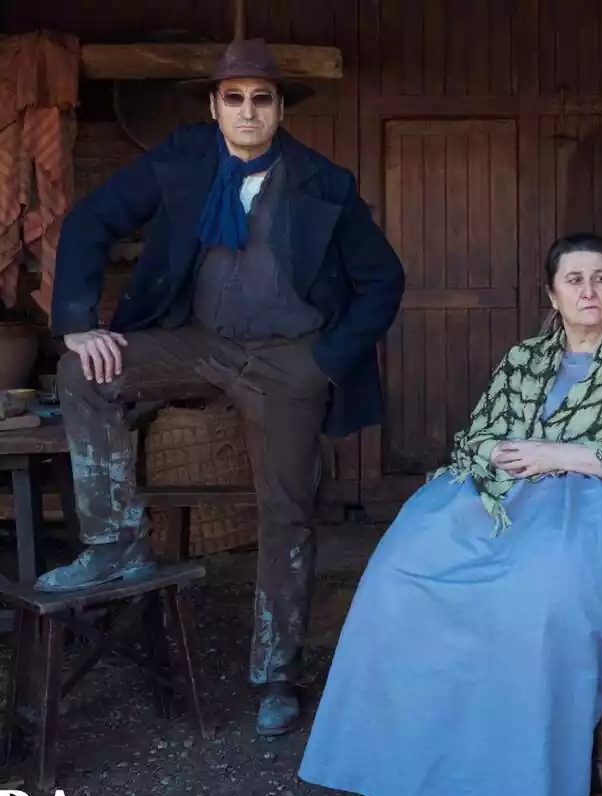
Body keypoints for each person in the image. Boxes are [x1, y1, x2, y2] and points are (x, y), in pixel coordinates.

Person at [41, 39, 405, 738]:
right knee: (81, 373)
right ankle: (116, 542)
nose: (246, 111)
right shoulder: (181, 160)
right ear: (213, 107)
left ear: (277, 110)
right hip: (199, 342)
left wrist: (325, 362)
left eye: (260, 99)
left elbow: (383, 281)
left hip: (287, 361)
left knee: (286, 513)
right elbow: (92, 219)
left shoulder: (322, 182)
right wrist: (79, 324)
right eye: (233, 98)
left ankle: (275, 672)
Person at [298, 233, 602, 796]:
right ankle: (412, 753)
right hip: (507, 493)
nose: (589, 290)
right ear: (552, 296)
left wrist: (557, 455)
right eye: (574, 280)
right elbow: (482, 430)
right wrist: (500, 455)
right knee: (400, 573)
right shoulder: (525, 358)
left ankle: (516, 773)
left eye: (601, 278)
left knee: (533, 598)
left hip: (593, 503)